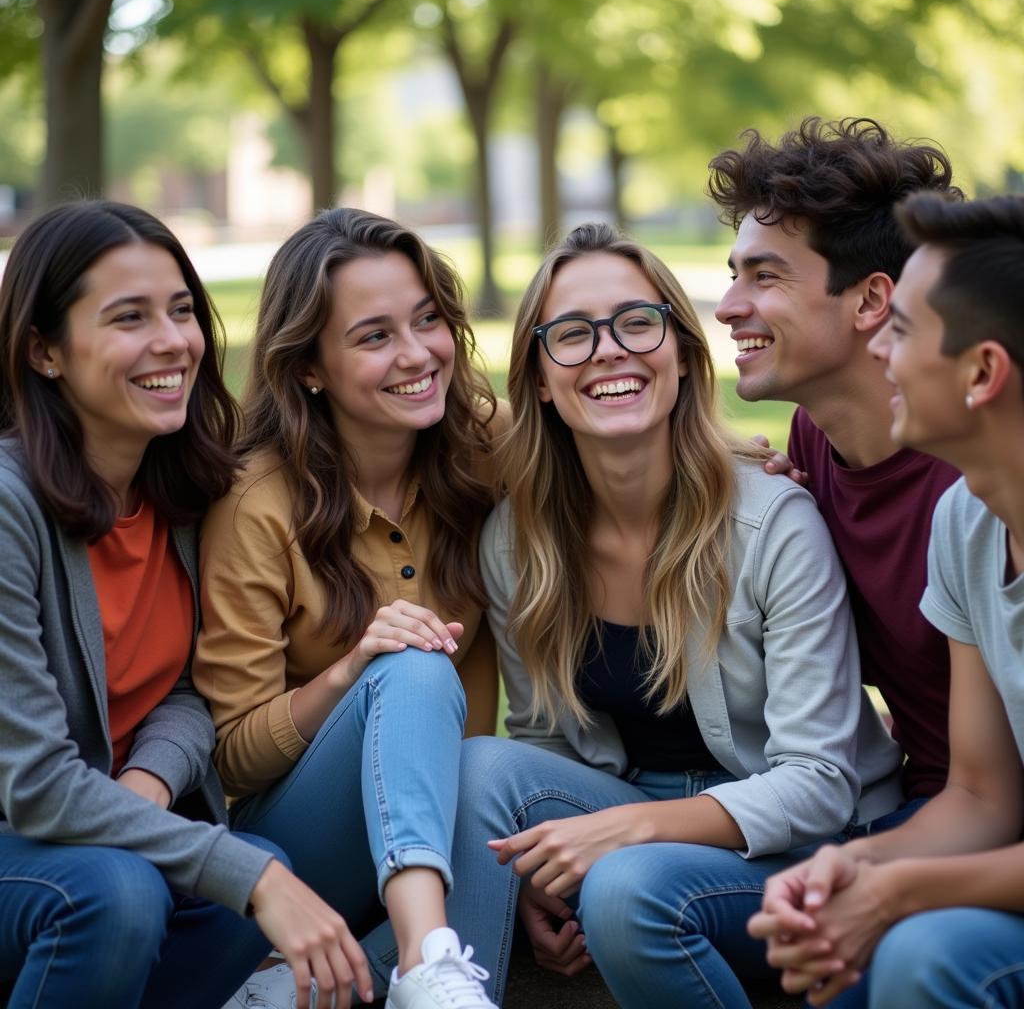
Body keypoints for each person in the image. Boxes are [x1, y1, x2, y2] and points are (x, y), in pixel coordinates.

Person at [437, 222, 903, 1008]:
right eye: (573, 335)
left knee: (625, 887)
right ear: (541, 379)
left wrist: (634, 833)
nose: (610, 350)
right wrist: (527, 879)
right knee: (483, 766)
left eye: (636, 322)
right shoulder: (517, 542)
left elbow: (821, 781)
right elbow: (547, 741)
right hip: (631, 807)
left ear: (683, 356)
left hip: (803, 844)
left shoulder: (772, 523)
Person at [0, 200, 372, 1009]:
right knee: (130, 890)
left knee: (235, 880)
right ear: (44, 351)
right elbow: (33, 786)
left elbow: (186, 689)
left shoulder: (179, 490)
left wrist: (149, 788)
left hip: (112, 838)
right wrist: (253, 874)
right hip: (31, 851)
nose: (173, 341)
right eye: (128, 318)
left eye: (181, 310)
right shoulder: (8, 510)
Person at [193, 208, 504, 1009]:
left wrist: (738, 458)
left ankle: (364, 977)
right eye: (374, 337)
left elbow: (611, 441)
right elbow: (229, 756)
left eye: (428, 320)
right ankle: (425, 954)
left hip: (454, 813)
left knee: (492, 777)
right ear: (309, 368)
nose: (417, 355)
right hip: (308, 840)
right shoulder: (257, 503)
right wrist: (351, 671)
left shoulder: (482, 446)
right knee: (411, 665)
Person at [748, 192, 1024, 1009]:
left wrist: (896, 893)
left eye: (901, 335)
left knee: (924, 952)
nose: (885, 358)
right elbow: (979, 795)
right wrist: (855, 865)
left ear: (982, 373)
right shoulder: (968, 522)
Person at [710, 116, 962, 812]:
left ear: (871, 300)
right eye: (735, 275)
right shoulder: (812, 446)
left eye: (765, 277)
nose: (730, 307)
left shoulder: (979, 474)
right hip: (914, 803)